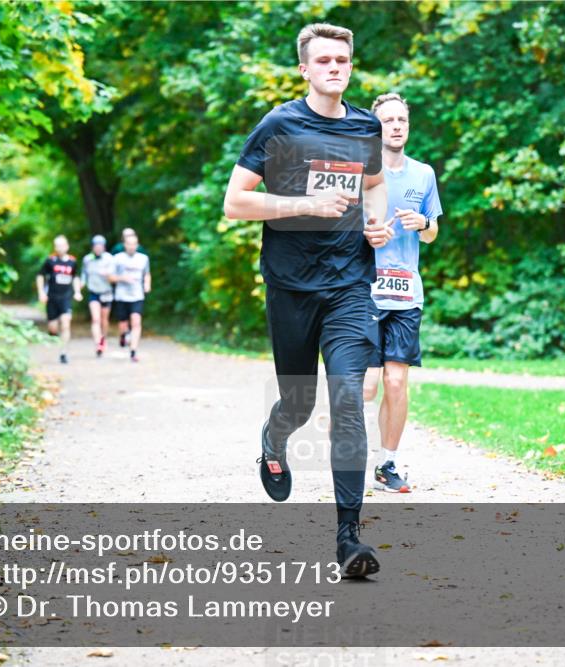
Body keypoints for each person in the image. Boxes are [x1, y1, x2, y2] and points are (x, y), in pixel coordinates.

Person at [222, 23, 392, 578]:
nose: (335, 68)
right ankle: (275, 438)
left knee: (347, 399)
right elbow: (235, 203)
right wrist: (302, 204)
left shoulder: (366, 125)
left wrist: (376, 223)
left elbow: (373, 185)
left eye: (342, 59)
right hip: (291, 286)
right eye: (323, 61)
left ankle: (350, 538)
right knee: (299, 403)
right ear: (305, 69)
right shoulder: (279, 125)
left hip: (348, 285)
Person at [362, 93, 442, 493]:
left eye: (402, 120)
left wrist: (423, 220)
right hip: (364, 291)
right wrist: (367, 235)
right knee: (368, 385)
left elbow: (432, 234)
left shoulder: (423, 174)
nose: (396, 126)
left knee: (396, 384)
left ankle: (386, 464)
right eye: (388, 120)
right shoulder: (362, 173)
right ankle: (348, 450)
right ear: (376, 126)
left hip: (407, 293)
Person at [36, 235, 82, 364]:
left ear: (67, 246)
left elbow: (76, 277)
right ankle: (54, 334)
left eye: (62, 245)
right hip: (52, 298)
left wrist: (77, 292)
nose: (60, 248)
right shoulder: (50, 261)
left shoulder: (72, 262)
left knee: (66, 323)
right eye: (57, 245)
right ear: (55, 247)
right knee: (53, 328)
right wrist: (41, 293)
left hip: (66, 297)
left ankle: (63, 352)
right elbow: (40, 276)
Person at [110, 232, 151, 362]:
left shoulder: (143, 258)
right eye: (129, 244)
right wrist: (122, 278)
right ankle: (123, 335)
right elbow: (110, 277)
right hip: (121, 296)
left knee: (136, 321)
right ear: (124, 245)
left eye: (134, 244)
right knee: (123, 324)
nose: (131, 247)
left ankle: (133, 351)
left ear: (137, 245)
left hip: (137, 295)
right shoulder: (117, 258)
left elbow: (147, 274)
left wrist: (147, 284)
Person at [81, 234, 115, 357]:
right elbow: (84, 274)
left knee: (104, 320)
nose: (98, 248)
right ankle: (97, 343)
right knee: (95, 319)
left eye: (100, 246)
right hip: (93, 292)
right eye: (96, 246)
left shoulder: (109, 259)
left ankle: (103, 339)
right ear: (93, 247)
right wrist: (80, 285)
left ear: (104, 247)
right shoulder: (87, 259)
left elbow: (113, 276)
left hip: (106, 292)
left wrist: (107, 274)